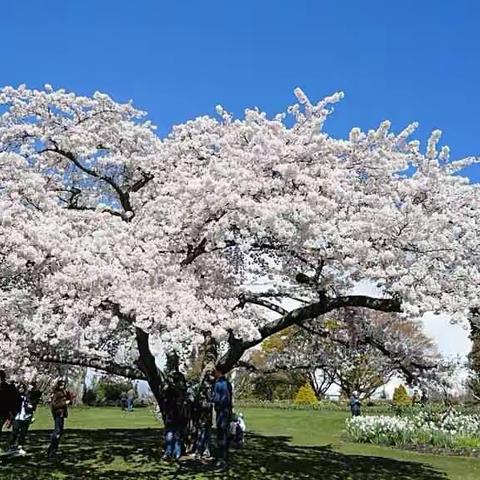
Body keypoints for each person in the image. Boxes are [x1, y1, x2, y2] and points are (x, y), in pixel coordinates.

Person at [212, 367, 233, 469]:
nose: (212, 373)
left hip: (223, 412)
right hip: (223, 412)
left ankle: (223, 459)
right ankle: (220, 457)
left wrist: (212, 399)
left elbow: (224, 399)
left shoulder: (221, 384)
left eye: (214, 372)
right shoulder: (224, 383)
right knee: (221, 434)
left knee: (222, 435)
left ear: (218, 371)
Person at [7, 383, 35, 456]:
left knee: (23, 433)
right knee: (15, 432)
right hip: (17, 417)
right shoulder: (15, 397)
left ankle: (20, 447)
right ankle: (11, 446)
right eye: (20, 387)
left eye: (23, 387)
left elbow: (32, 406)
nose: (21, 389)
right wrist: (10, 417)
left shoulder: (27, 397)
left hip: (25, 417)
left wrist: (31, 408)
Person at [46, 380, 71, 460]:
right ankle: (52, 451)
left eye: (63, 385)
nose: (62, 387)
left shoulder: (63, 393)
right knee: (57, 432)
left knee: (60, 432)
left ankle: (53, 449)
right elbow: (54, 405)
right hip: (58, 414)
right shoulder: (57, 393)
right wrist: (65, 403)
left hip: (61, 414)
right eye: (61, 385)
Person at [194, 382, 213, 459]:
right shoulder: (201, 400)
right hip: (202, 420)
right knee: (201, 436)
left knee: (207, 437)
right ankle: (199, 452)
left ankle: (206, 451)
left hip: (207, 420)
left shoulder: (208, 399)